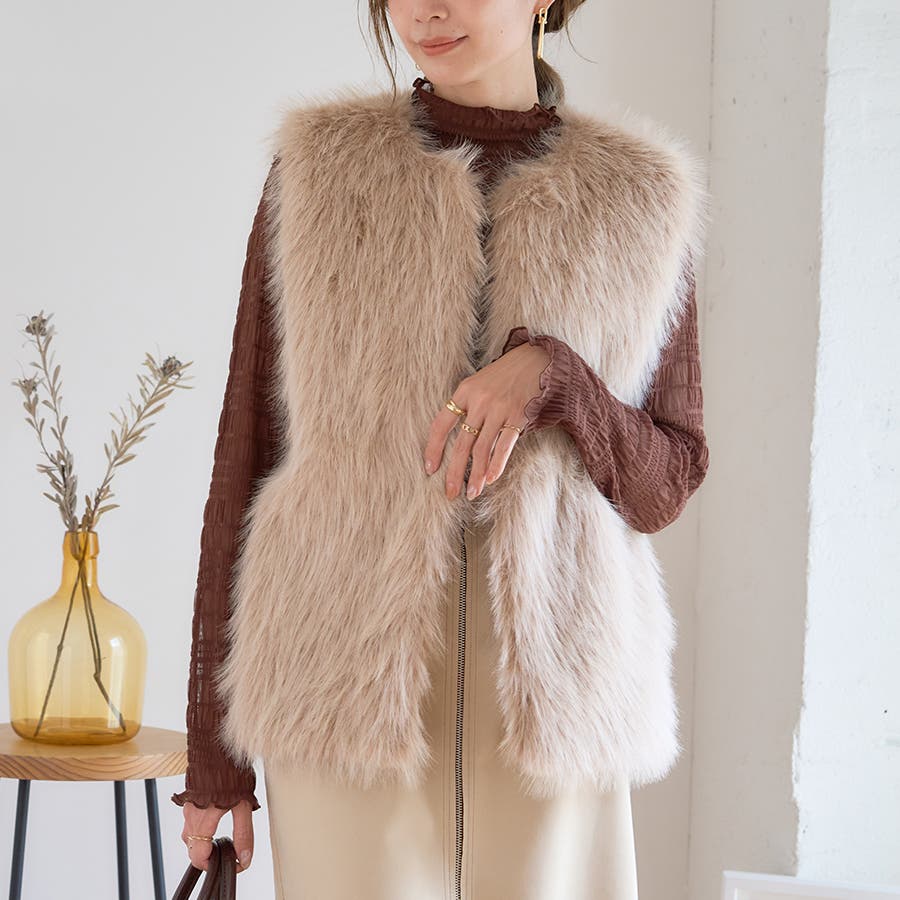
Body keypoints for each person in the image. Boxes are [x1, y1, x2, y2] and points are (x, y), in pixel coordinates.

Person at [171, 1, 710, 897]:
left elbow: (669, 478)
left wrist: (560, 379)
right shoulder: (319, 171)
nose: (426, 9)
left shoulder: (641, 196)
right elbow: (246, 454)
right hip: (342, 691)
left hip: (554, 701)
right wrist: (212, 753)